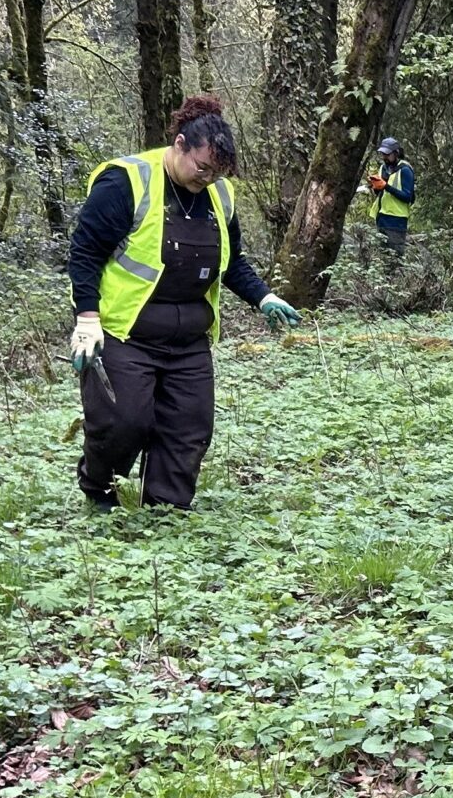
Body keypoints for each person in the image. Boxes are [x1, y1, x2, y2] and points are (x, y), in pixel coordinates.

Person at [67, 94, 300, 510]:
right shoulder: (126, 182)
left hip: (189, 339)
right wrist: (86, 318)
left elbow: (231, 261)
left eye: (216, 172)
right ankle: (98, 486)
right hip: (124, 333)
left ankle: (166, 508)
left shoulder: (219, 196)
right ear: (179, 145)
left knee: (189, 427)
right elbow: (85, 252)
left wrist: (263, 297)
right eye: (202, 167)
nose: (207, 179)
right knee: (124, 422)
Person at [364, 138, 415, 250]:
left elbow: (408, 197)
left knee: (395, 258)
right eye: (383, 154)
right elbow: (379, 192)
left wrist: (385, 186)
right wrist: (375, 185)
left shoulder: (405, 170)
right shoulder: (383, 168)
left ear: (396, 153)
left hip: (397, 221)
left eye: (387, 154)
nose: (384, 157)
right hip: (381, 218)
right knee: (382, 256)